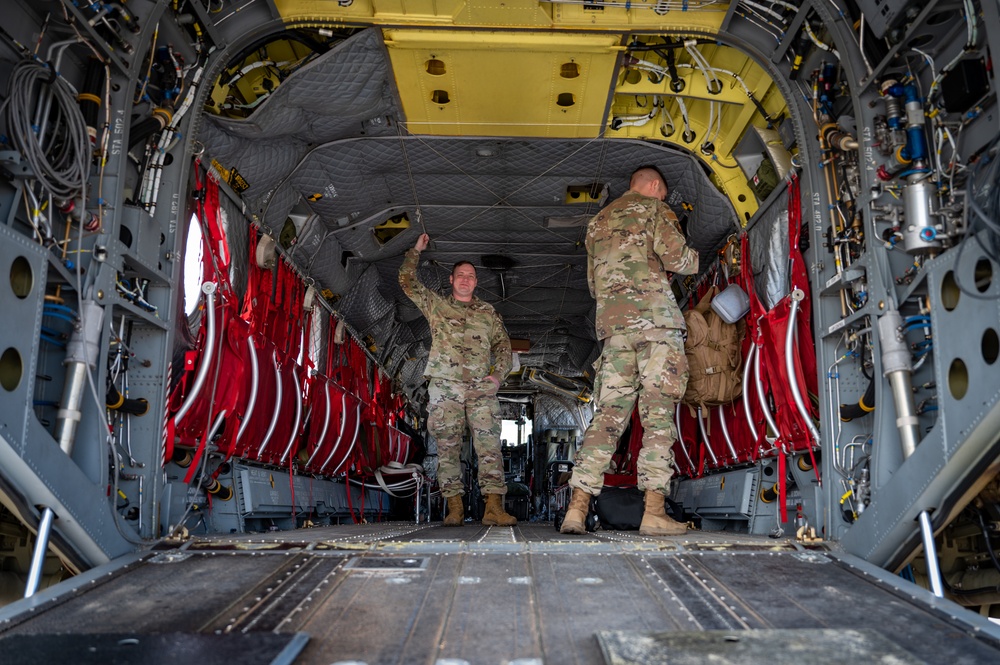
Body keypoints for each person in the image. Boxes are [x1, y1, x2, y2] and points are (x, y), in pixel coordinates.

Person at [561, 167, 699, 536]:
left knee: (606, 420)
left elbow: (593, 285)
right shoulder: (655, 209)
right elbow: (677, 259)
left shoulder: (596, 223)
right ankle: (653, 512)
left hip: (614, 331)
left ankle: (576, 511)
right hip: (655, 326)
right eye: (663, 193)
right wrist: (696, 260)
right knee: (657, 416)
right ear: (654, 187)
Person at [399, 232, 517, 526]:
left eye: (471, 276)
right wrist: (416, 250)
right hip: (445, 387)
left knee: (489, 446)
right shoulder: (437, 306)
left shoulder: (488, 313)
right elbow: (407, 282)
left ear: (476, 282)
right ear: (451, 280)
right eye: (460, 275)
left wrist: (497, 377)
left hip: (480, 388)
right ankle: (454, 507)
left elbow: (503, 346)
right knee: (447, 447)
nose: (466, 280)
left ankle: (493, 508)